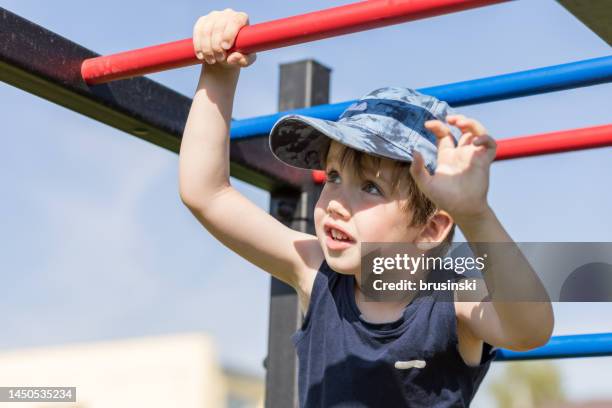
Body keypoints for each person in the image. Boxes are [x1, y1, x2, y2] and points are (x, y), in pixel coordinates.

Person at [179, 9, 554, 407]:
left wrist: (476, 216)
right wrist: (220, 73)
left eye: (371, 187)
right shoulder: (317, 273)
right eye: (335, 177)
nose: (337, 202)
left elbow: (530, 329)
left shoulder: (449, 297)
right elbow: (207, 194)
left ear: (430, 229)